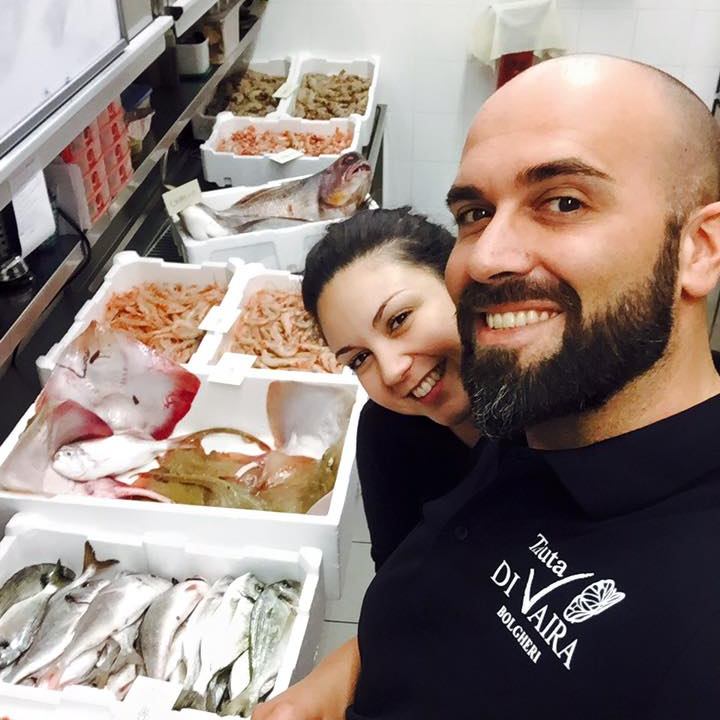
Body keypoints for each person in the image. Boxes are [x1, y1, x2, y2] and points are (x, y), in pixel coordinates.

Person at [259, 54, 720, 719]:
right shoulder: (533, 412)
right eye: (475, 213)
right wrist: (340, 680)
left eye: (563, 202)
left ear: (700, 248)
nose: (488, 258)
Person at [253, 210, 483, 719]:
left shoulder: (558, 429)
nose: (394, 370)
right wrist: (320, 693)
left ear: (460, 282)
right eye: (359, 358)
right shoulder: (387, 432)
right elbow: (403, 595)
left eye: (399, 320)